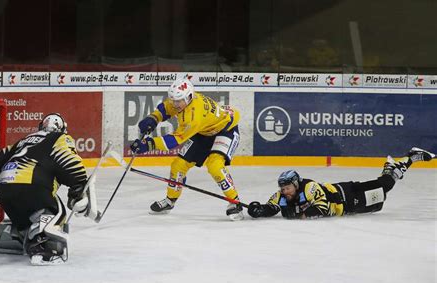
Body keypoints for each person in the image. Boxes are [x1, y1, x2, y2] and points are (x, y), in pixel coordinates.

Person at [0, 113, 98, 265]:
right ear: (62, 128)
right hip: (31, 187)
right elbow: (69, 159)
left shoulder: (25, 140)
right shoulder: (59, 137)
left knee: (26, 214)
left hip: (3, 190)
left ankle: (15, 234)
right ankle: (44, 242)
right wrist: (78, 187)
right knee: (56, 211)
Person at [130, 78, 243, 220]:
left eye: (178, 101)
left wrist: (148, 145)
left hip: (226, 130)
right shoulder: (181, 101)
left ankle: (235, 202)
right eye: (173, 100)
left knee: (214, 165)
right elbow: (166, 108)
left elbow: (174, 141)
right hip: (204, 131)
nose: (175, 104)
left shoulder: (193, 116)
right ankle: (170, 201)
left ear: (189, 97)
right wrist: (153, 118)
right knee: (178, 166)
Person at [247, 147, 435, 219]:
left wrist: (297, 213)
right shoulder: (281, 195)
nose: (284, 191)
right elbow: (272, 207)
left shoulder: (309, 187)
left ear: (296, 184)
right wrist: (258, 210)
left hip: (350, 196)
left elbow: (322, 209)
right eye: (282, 188)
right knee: (383, 188)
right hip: (349, 207)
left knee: (384, 187)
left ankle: (411, 157)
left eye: (287, 188)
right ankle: (391, 167)